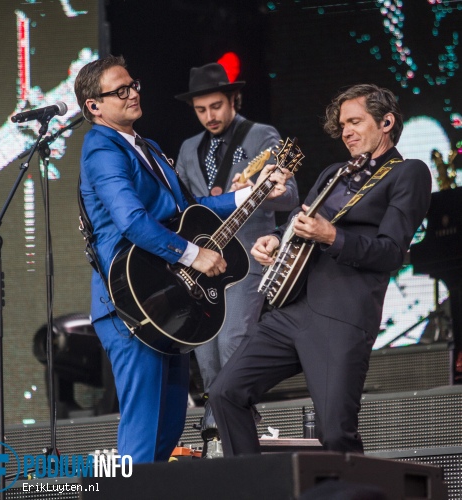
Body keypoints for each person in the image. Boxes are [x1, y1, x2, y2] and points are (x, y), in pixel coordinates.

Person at [73, 55, 290, 464]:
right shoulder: (101, 148)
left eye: (133, 84)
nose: (133, 92)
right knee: (143, 433)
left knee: (167, 430)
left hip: (164, 300)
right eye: (120, 90)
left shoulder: (146, 146)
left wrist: (252, 192)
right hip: (130, 305)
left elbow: (190, 210)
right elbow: (132, 220)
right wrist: (194, 255)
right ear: (93, 107)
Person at [209, 83, 432, 455]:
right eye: (343, 124)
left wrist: (332, 237)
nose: (346, 131)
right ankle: (253, 489)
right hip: (290, 309)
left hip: (341, 316)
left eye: (356, 121)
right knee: (224, 392)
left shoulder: (407, 173)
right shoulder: (334, 173)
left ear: (387, 122)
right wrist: (276, 240)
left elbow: (392, 252)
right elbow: (298, 220)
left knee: (335, 435)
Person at [174, 62, 299, 450]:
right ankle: (225, 425)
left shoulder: (261, 136)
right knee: (204, 351)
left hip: (247, 259)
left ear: (233, 100)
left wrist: (271, 190)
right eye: (201, 110)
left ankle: (230, 425)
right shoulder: (187, 149)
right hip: (202, 261)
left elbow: (292, 196)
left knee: (233, 342)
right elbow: (181, 208)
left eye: (216, 106)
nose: (209, 116)